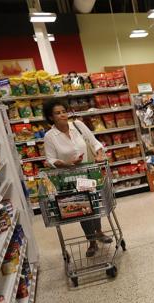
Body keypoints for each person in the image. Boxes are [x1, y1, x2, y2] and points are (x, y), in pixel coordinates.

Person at [43, 100, 112, 257]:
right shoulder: (50, 136)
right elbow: (51, 159)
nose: (62, 115)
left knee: (94, 203)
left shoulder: (78, 126)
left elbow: (94, 143)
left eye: (63, 111)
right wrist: (67, 163)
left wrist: (99, 154)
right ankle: (92, 241)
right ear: (50, 117)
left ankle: (99, 232)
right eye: (57, 113)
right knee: (83, 209)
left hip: (88, 172)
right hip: (69, 178)